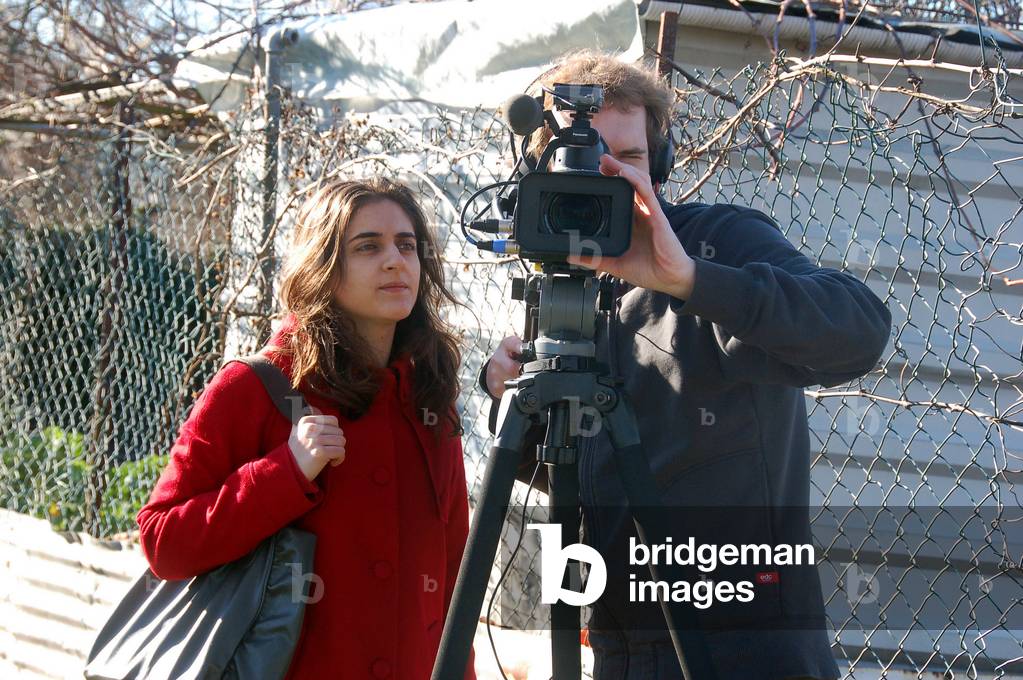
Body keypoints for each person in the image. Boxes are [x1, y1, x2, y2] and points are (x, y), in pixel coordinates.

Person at [481, 51, 892, 680]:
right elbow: (581, 476)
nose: (608, 177)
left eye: (630, 158)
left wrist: (693, 280)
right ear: (539, 172)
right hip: (620, 646)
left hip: (744, 649)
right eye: (584, 157)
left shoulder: (716, 241)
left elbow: (859, 330)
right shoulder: (562, 284)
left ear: (662, 163)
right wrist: (510, 394)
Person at [137, 178, 477, 680]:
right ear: (322, 267)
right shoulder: (254, 387)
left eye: (407, 245)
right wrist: (284, 473)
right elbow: (163, 543)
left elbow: (453, 582)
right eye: (367, 246)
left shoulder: (428, 397)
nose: (395, 261)